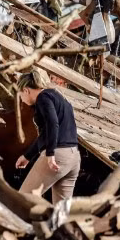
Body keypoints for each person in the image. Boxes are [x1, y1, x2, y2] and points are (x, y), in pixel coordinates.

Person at [15, 71, 80, 203]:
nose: (21, 99)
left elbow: (52, 124)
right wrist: (28, 156)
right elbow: (46, 134)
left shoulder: (43, 98)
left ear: (26, 90)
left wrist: (50, 154)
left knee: (22, 200)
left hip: (58, 155)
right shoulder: (56, 96)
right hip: (73, 157)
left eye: (20, 95)